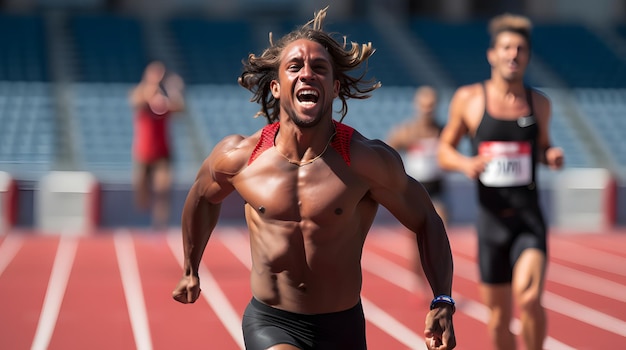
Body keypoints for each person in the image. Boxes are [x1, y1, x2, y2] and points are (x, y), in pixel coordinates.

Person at [171, 7, 456, 350]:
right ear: (276, 87)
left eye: (319, 68)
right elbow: (202, 197)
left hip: (343, 326)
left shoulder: (366, 161)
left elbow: (426, 217)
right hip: (272, 321)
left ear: (334, 88)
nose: (307, 74)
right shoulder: (241, 158)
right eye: (295, 67)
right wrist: (190, 267)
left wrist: (442, 299)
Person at [437, 13, 564, 350]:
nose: (514, 55)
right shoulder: (470, 99)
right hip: (491, 224)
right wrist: (466, 163)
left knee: (530, 297)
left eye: (520, 48)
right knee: (498, 319)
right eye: (507, 47)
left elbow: (542, 147)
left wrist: (550, 155)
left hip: (528, 220)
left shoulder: (540, 103)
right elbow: (444, 150)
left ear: (528, 56)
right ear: (492, 54)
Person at [387, 86, 448, 301]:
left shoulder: (443, 131)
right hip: (414, 190)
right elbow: (387, 151)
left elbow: (453, 150)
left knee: (440, 232)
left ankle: (438, 280)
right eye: (424, 105)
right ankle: (417, 277)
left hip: (437, 189)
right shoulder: (407, 131)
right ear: (417, 106)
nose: (427, 109)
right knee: (415, 242)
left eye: (431, 105)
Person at [129, 61, 185, 230]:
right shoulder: (142, 96)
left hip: (163, 153)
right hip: (143, 153)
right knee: (141, 195)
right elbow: (135, 100)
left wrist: (174, 89)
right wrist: (151, 83)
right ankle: (141, 218)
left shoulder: (164, 102)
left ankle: (160, 225)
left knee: (163, 189)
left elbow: (180, 109)